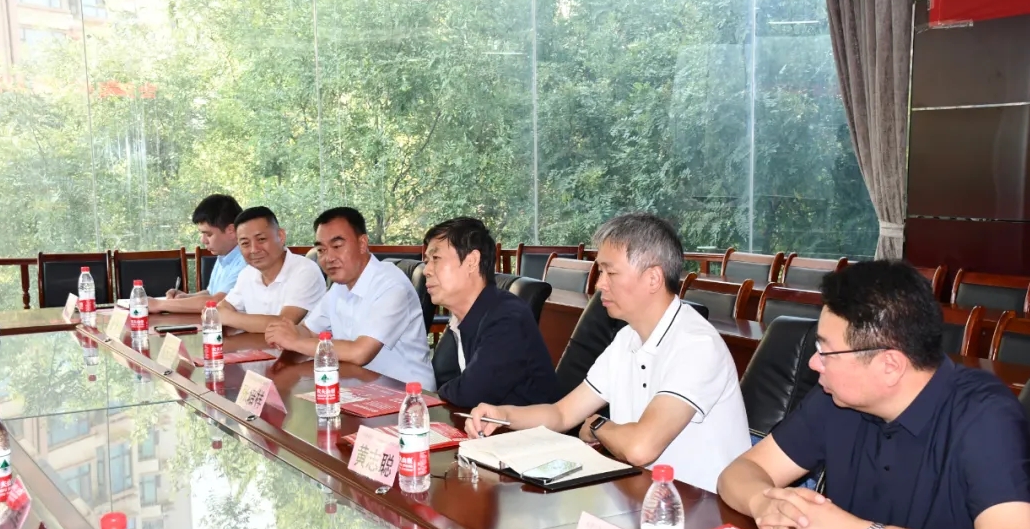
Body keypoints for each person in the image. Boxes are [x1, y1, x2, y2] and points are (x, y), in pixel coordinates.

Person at [715, 260, 1030, 529]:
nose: (814, 363)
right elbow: (739, 473)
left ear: (890, 366)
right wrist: (764, 504)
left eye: (826, 351)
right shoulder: (837, 399)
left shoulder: (985, 416)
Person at [469, 213, 750, 492]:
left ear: (653, 278)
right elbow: (562, 414)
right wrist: (501, 414)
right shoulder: (627, 338)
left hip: (699, 507)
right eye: (600, 272)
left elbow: (641, 448)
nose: (599, 284)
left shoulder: (696, 345)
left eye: (610, 273)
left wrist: (598, 425)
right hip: (643, 494)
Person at [264, 207, 435, 388]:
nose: (328, 258)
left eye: (337, 246)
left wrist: (295, 341)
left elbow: (360, 353)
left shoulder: (391, 286)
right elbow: (310, 331)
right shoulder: (340, 286)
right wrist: (284, 332)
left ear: (362, 243)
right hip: (361, 385)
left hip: (408, 393)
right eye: (321, 250)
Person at [423, 217, 559, 407]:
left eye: (435, 259)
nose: (426, 270)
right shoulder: (462, 318)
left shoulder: (508, 318)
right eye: (426, 261)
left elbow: (472, 393)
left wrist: (440, 393)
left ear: (472, 261)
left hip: (525, 426)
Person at [219, 206, 327, 333]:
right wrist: (222, 314)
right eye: (245, 243)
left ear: (281, 236)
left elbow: (283, 324)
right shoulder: (247, 273)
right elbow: (221, 309)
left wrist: (229, 317)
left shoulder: (305, 271)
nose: (254, 249)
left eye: (261, 239)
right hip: (256, 344)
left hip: (306, 346)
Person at [148, 194, 246, 314]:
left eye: (208, 234)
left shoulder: (246, 260)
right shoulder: (224, 255)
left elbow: (217, 301)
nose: (203, 240)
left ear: (231, 231)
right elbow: (211, 293)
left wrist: (158, 304)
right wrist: (185, 297)